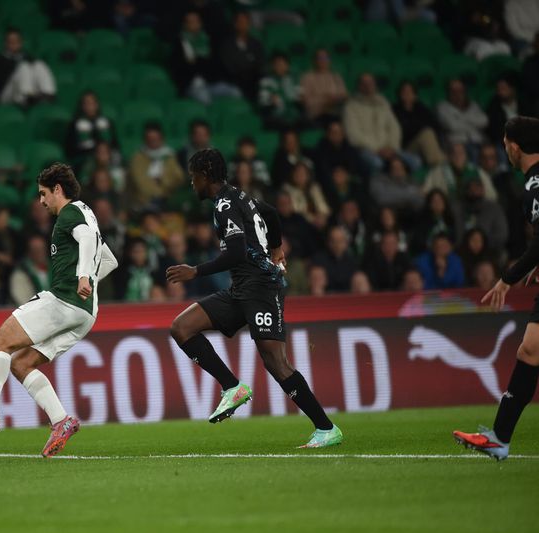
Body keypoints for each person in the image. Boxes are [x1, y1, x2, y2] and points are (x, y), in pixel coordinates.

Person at [166, 148, 342, 447]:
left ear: (206, 174)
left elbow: (234, 252)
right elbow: (270, 213)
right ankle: (232, 387)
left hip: (261, 287)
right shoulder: (240, 195)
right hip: (242, 288)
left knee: (275, 361)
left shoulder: (224, 204)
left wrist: (195, 271)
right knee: (181, 327)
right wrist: (275, 248)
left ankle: (326, 428)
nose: (191, 183)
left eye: (193, 176)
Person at [0, 163, 118, 457]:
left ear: (57, 189)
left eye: (43, 194)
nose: (41, 201)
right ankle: (61, 421)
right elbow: (110, 260)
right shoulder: (88, 214)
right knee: (21, 363)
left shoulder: (70, 213)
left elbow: (88, 242)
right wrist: (88, 281)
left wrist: (81, 278)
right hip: (86, 314)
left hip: (63, 301)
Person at [454, 116, 539, 460]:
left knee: (530, 351)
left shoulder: (536, 184)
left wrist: (510, 275)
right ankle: (500, 438)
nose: (504, 148)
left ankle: (500, 437)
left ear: (514, 146)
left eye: (505, 142)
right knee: (530, 351)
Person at [344, 73, 418, 173]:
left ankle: (404, 186)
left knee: (415, 161)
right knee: (377, 163)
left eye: (371, 82)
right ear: (359, 86)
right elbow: (353, 136)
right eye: (364, 83)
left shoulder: (383, 103)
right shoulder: (350, 107)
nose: (368, 86)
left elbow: (394, 127)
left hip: (388, 148)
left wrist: (391, 147)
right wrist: (377, 149)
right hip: (366, 150)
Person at [0, 28, 56, 106]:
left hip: (27, 92)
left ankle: (48, 94)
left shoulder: (26, 56)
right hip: (5, 95)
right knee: (24, 66)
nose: (14, 43)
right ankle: (27, 98)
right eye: (11, 41)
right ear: (6, 43)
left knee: (39, 64)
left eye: (16, 41)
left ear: (21, 42)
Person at [128, 122, 185, 212]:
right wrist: (159, 191)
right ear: (145, 140)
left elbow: (178, 178)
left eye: (155, 139)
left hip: (168, 201)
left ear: (161, 139)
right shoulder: (137, 158)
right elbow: (140, 183)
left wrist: (163, 180)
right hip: (144, 202)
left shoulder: (169, 156)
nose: (153, 142)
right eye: (150, 140)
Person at [437, 79, 488, 160]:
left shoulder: (473, 105)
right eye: (454, 91)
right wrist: (473, 122)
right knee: (474, 152)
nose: (457, 94)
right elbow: (452, 126)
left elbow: (484, 121)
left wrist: (460, 118)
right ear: (449, 92)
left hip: (478, 141)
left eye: (460, 90)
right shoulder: (442, 107)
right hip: (457, 143)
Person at [65, 91, 118, 168]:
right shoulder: (74, 125)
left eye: (92, 103)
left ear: (97, 105)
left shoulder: (107, 122)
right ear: (82, 106)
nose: (90, 106)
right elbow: (70, 149)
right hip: (84, 160)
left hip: (107, 159)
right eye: (86, 103)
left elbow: (115, 144)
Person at [300, 49, 348, 125]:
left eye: (326, 58)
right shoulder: (307, 78)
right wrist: (325, 101)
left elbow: (344, 95)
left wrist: (335, 99)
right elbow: (304, 100)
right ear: (314, 61)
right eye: (320, 58)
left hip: (335, 112)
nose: (323, 61)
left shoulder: (336, 77)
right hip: (316, 115)